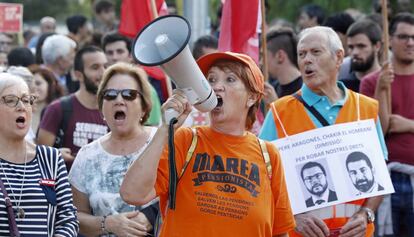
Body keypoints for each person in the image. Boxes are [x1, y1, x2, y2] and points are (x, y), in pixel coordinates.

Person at [120, 52, 295, 237]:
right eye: (211, 80)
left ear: (251, 97)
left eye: (230, 79)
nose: (216, 87)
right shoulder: (186, 140)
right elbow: (132, 193)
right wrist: (165, 129)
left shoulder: (269, 155)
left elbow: (280, 231)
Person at [259, 26, 386, 237]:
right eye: (301, 54)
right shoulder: (279, 112)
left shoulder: (366, 107)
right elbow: (261, 177)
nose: (307, 59)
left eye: (315, 52)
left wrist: (367, 213)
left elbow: (380, 174)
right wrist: (292, 216)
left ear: (338, 58)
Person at [69, 62, 159, 236]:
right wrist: (107, 224)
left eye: (129, 94)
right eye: (110, 95)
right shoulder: (87, 155)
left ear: (144, 106)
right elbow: (74, 216)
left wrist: (151, 216)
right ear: (102, 106)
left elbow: (185, 197)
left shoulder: (163, 142)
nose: (119, 100)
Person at [0, 72, 78, 235]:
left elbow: (68, 219)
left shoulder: (50, 158)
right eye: (11, 100)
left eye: (26, 100)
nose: (21, 106)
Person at [360, 12, 414, 236]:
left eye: (413, 37)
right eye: (403, 36)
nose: (410, 42)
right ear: (389, 40)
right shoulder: (371, 82)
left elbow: (396, 125)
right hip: (384, 181)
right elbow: (377, 133)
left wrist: (409, 125)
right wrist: (382, 90)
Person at [37, 46, 109, 170]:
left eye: (105, 66)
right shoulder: (57, 109)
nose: (103, 73)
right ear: (78, 75)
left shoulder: (113, 111)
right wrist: (56, 155)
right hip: (63, 187)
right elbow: (39, 158)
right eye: (95, 67)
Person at [102, 32, 161, 126]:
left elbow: (152, 131)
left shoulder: (146, 89)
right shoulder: (96, 85)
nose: (114, 57)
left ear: (130, 56)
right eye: (109, 53)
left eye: (120, 51)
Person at [339, 20, 382, 92]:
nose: (355, 52)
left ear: (377, 46)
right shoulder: (342, 87)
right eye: (351, 47)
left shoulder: (387, 83)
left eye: (361, 46)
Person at [265, 27, 302, 99]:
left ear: (280, 56)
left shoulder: (308, 89)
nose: (261, 62)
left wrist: (275, 105)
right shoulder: (272, 89)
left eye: (263, 56)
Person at [29, 65, 65, 134]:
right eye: (30, 84)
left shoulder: (59, 112)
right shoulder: (21, 113)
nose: (33, 87)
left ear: (50, 86)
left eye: (38, 83)